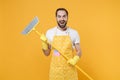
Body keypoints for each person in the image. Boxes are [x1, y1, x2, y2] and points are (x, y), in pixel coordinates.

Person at [40, 8, 82, 80]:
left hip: (70, 71)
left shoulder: (74, 33)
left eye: (64, 16)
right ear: (56, 18)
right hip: (56, 72)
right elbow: (47, 53)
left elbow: (79, 51)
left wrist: (75, 59)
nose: (61, 19)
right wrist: (43, 44)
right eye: (59, 16)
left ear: (67, 17)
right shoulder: (50, 33)